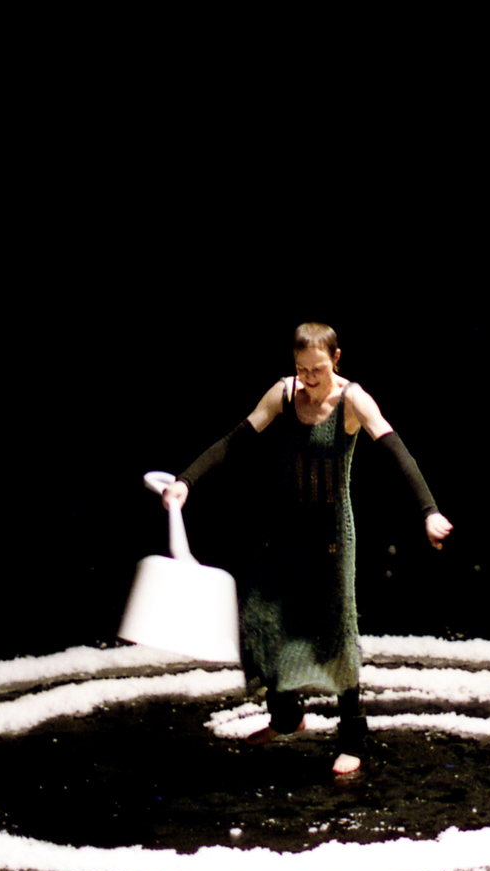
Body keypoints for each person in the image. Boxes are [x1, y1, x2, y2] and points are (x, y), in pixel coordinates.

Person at [161, 322, 453, 777]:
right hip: (284, 532)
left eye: (318, 369)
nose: (310, 379)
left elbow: (397, 452)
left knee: (336, 635)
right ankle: (286, 717)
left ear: (336, 359)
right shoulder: (283, 393)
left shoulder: (353, 400)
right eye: (302, 369)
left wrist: (428, 511)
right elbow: (235, 440)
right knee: (260, 619)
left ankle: (352, 737)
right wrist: (186, 481)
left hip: (333, 537)